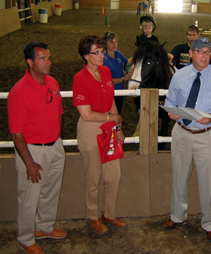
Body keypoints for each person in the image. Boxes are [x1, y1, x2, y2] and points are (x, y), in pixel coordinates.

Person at [162, 37, 211, 243]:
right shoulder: (179, 75)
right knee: (179, 177)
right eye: (200, 52)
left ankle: (210, 223)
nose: (204, 56)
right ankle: (177, 216)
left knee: (208, 181)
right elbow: (170, 99)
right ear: (191, 52)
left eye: (208, 52)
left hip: (207, 135)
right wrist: (171, 113)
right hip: (181, 132)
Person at [7, 42, 66, 254]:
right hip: (32, 150)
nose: (48, 62)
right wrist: (29, 162)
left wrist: (58, 142)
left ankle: (44, 227)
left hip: (54, 146)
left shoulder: (53, 82)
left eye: (48, 58)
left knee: (51, 190)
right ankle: (25, 237)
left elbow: (59, 113)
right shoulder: (19, 92)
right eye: (43, 59)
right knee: (29, 196)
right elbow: (16, 133)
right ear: (30, 62)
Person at [73, 35, 127, 235]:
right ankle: (93, 216)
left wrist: (117, 127)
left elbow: (111, 99)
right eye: (97, 52)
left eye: (102, 51)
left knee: (113, 175)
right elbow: (85, 114)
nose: (102, 55)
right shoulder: (80, 78)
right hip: (91, 129)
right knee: (93, 177)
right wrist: (111, 119)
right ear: (86, 56)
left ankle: (109, 213)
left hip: (108, 127)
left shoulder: (105, 72)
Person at [103, 32, 133, 114]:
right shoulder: (104, 60)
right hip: (109, 94)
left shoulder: (118, 54)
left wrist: (138, 54)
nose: (114, 44)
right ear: (105, 45)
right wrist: (123, 79)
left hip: (119, 92)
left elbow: (128, 62)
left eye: (115, 42)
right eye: (111, 42)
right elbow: (107, 81)